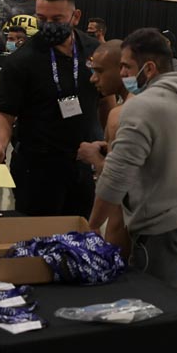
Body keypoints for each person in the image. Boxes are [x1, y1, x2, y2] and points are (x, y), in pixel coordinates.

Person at [89, 28, 177, 288]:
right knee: (168, 291)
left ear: (148, 68)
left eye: (126, 66)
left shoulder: (140, 106)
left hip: (162, 223)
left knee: (154, 298)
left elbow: (117, 177)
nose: (123, 73)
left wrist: (93, 225)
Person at [0, 0, 111, 217]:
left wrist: (109, 143)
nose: (48, 24)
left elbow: (106, 100)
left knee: (79, 230)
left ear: (75, 16)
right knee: (36, 231)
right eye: (42, 18)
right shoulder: (22, 60)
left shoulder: (94, 51)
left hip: (83, 163)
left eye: (57, 19)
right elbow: (2, 112)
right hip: (37, 166)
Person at [76, 40, 131, 256]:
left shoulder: (122, 115)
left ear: (122, 69)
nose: (93, 78)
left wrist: (95, 159)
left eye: (99, 71)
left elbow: (118, 187)